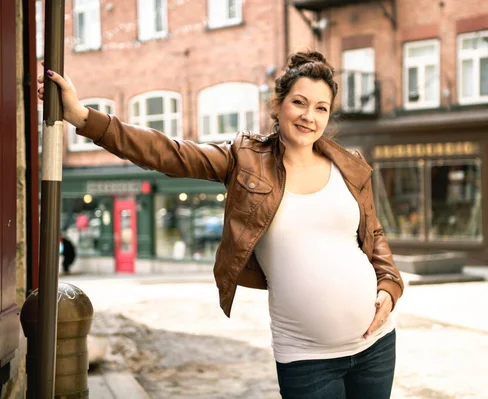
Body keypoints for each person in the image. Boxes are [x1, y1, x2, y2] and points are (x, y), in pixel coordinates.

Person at [38, 50, 404, 399]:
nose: (310, 116)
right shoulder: (244, 159)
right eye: (300, 102)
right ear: (277, 105)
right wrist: (84, 117)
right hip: (307, 358)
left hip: (376, 347)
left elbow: (373, 236)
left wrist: (389, 286)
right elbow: (169, 152)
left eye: (321, 108)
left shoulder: (349, 164)